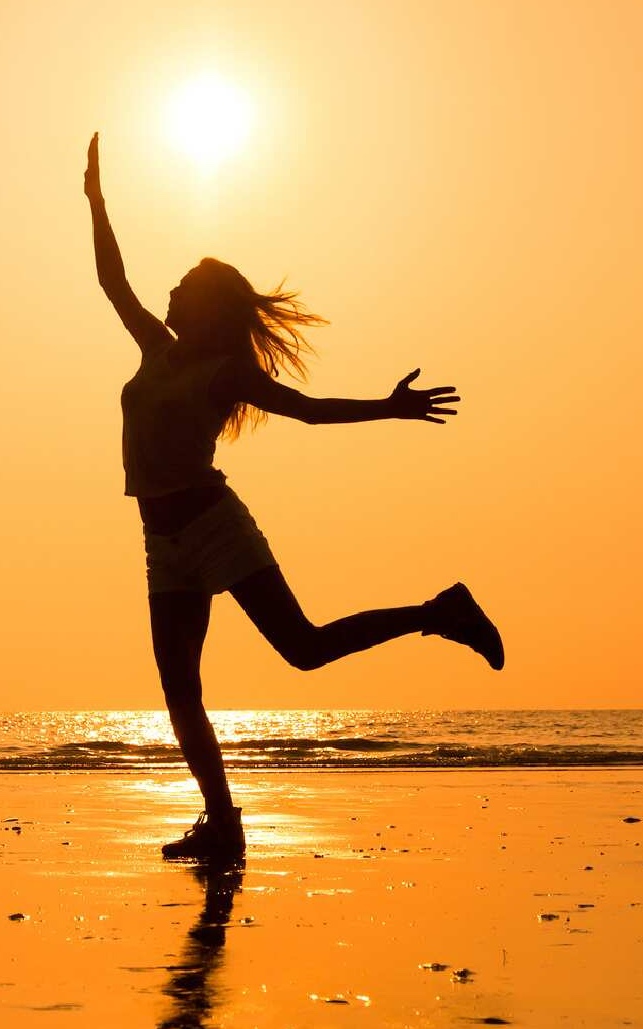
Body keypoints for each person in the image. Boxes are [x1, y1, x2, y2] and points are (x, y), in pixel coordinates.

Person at [84, 133, 503, 863]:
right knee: (180, 690)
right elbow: (111, 281)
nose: (171, 290)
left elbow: (307, 409)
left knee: (302, 649)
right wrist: (96, 203)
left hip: (214, 526)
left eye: (185, 284)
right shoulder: (156, 348)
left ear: (208, 306)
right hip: (161, 541)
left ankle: (440, 612)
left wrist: (387, 406)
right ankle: (222, 821)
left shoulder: (222, 371)